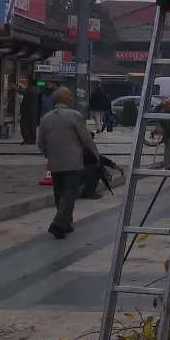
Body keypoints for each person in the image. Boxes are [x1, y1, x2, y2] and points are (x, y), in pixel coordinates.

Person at [38, 87, 100, 239]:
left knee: (59, 194)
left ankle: (66, 224)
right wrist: (96, 156)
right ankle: (58, 224)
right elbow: (86, 139)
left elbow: (40, 143)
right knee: (70, 193)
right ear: (64, 99)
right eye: (70, 95)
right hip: (72, 163)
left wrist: (50, 155)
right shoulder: (74, 116)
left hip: (55, 163)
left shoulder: (45, 118)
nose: (72, 98)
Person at [19, 78, 41, 145]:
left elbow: (23, 92)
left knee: (24, 125)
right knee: (32, 126)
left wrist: (16, 88)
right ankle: (32, 140)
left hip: (27, 110)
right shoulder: (38, 89)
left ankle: (27, 139)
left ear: (30, 83)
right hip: (34, 111)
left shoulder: (31, 89)